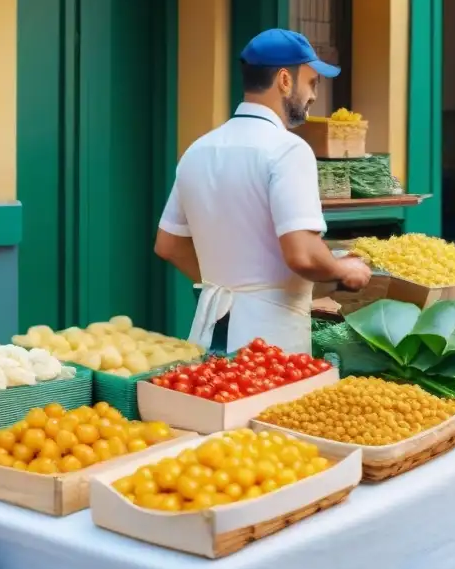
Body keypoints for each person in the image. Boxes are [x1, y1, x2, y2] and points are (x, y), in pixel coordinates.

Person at [153, 28, 372, 355]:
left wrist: (231, 285)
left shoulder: (198, 150)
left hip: (210, 334)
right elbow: (303, 254)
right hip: (270, 345)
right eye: (312, 83)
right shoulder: (288, 150)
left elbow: (169, 245)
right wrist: (346, 269)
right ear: (285, 80)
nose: (313, 96)